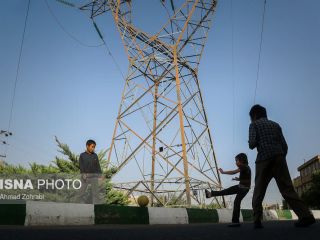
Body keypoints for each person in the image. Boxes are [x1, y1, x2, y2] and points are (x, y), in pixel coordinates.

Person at [248, 104, 315, 228]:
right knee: (287, 189)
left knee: (258, 191)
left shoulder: (254, 125)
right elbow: (285, 145)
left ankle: (257, 220)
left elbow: (252, 144)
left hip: (263, 159)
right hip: (279, 157)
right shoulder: (276, 125)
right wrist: (281, 157)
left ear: (255, 116)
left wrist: (255, 141)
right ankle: (306, 216)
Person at [205, 153, 251, 227]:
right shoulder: (246, 167)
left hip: (242, 188)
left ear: (242, 160)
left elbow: (233, 172)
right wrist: (238, 179)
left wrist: (223, 172)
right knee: (236, 202)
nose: (236, 163)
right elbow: (247, 179)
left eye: (237, 161)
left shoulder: (243, 166)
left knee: (226, 193)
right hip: (243, 188)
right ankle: (235, 222)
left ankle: (211, 194)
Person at [78, 139, 102, 204]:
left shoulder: (95, 155)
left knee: (96, 194)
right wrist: (83, 174)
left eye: (94, 147)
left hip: (94, 177)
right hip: (85, 177)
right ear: (87, 146)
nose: (93, 148)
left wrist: (100, 177)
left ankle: (96, 208)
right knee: (81, 193)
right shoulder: (82, 155)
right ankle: (77, 206)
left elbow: (98, 167)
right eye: (92, 146)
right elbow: (81, 166)